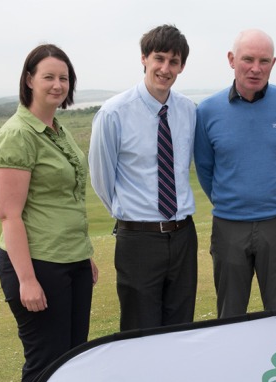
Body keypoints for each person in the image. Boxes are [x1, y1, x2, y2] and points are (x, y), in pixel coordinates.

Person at [0, 44, 98, 382]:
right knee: (46, 363)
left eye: (64, 78)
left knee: (73, 358)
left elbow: (64, 201)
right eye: (48, 76)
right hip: (38, 263)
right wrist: (26, 280)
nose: (57, 85)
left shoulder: (57, 129)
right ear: (29, 80)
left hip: (71, 259)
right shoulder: (18, 134)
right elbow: (9, 215)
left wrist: (84, 255)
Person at [194, 29, 276, 319]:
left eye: (264, 61)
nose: (256, 68)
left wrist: (273, 195)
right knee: (230, 315)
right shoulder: (207, 110)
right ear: (232, 60)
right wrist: (233, 201)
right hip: (229, 227)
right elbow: (205, 168)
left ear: (273, 63)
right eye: (248, 59)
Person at [89, 24, 197, 331]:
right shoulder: (114, 113)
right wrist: (132, 217)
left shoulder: (188, 111)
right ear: (144, 59)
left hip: (183, 236)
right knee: (140, 331)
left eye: (173, 62)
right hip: (138, 240)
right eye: (159, 58)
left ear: (181, 67)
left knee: (181, 329)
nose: (165, 68)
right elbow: (101, 178)